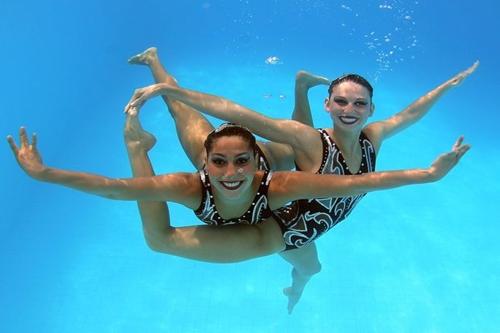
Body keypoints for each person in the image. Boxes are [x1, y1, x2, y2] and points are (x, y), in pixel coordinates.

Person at [124, 55, 478, 312]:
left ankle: (294, 291)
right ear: (328, 105)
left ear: (371, 109)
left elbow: (410, 114)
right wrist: (172, 92)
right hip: (258, 200)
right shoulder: (312, 141)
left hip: (294, 206)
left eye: (359, 103)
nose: (349, 109)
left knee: (312, 268)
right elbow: (242, 115)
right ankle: (156, 70)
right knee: (190, 125)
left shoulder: (374, 136)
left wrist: (446, 86)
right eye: (340, 101)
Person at [8, 109, 468, 263]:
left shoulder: (279, 184)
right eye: (220, 163)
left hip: (268, 226)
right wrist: (44, 174)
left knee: (305, 264)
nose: (230, 173)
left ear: (255, 163)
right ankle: (142, 128)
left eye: (241, 162)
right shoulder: (189, 185)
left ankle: (300, 275)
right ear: (206, 165)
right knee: (158, 237)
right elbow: (114, 188)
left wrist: (429, 174)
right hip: (229, 214)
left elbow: (364, 179)